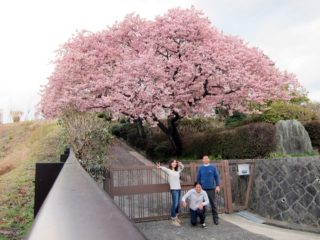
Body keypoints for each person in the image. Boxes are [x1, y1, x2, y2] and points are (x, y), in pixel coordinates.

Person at [156, 159, 184, 226]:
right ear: (170, 163)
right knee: (175, 204)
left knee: (178, 204)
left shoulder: (177, 171)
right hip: (174, 189)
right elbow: (164, 168)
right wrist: (160, 167)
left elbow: (182, 167)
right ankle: (173, 219)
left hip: (179, 189)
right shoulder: (169, 171)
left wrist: (180, 163)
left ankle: (176, 217)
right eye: (173, 162)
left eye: (175, 162)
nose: (174, 163)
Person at [196, 155, 220, 225]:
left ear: (209, 160)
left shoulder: (213, 167)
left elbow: (217, 177)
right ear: (202, 160)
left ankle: (216, 219)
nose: (206, 159)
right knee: (202, 204)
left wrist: (217, 186)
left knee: (213, 204)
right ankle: (202, 219)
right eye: (204, 159)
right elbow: (198, 178)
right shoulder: (201, 168)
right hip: (202, 189)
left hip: (211, 189)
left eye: (207, 158)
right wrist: (198, 187)